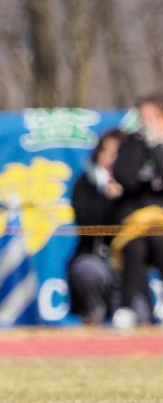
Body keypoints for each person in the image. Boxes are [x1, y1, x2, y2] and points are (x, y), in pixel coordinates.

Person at [110, 97, 163, 328]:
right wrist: (139, 146)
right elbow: (126, 180)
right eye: (142, 119)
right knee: (136, 247)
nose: (146, 124)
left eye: (152, 118)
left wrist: (155, 147)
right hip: (133, 223)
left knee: (159, 242)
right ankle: (126, 308)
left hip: (160, 222)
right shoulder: (130, 145)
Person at [67, 129, 125, 325]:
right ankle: (92, 319)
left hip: (128, 264)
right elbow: (86, 221)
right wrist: (108, 199)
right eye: (105, 151)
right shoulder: (85, 183)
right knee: (88, 271)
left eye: (117, 153)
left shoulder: (135, 187)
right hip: (94, 255)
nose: (110, 159)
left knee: (139, 315)